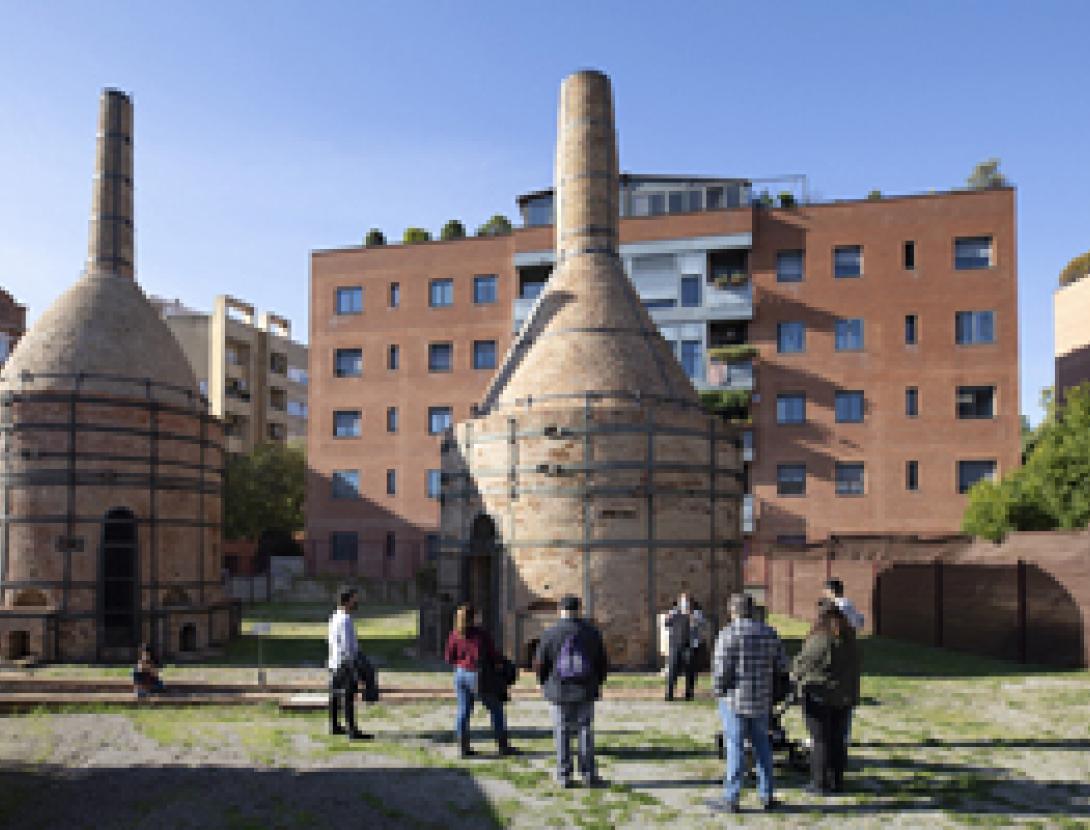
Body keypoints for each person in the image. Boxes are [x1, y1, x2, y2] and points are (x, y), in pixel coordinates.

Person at [707, 593, 788, 814]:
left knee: (735, 747)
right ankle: (767, 795)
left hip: (734, 699)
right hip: (762, 699)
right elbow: (782, 665)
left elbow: (721, 671)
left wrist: (717, 691)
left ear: (732, 610)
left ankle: (732, 797)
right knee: (763, 746)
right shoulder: (769, 633)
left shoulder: (728, 634)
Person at [533, 594, 609, 789]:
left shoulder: (550, 633)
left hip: (558, 689)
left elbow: (541, 663)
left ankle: (564, 775)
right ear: (579, 609)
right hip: (585, 688)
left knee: (562, 731)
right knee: (585, 731)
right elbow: (602, 663)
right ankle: (588, 774)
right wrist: (597, 682)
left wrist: (543, 683)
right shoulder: (592, 632)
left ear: (560, 610)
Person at [792, 599, 861, 795]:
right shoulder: (850, 639)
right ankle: (837, 780)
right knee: (838, 739)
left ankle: (819, 783)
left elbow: (802, 664)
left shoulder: (821, 640)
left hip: (820, 694)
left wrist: (794, 677)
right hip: (844, 696)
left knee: (820, 740)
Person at [444, 602, 516, 758]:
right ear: (473, 617)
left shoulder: (454, 634)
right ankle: (503, 746)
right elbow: (491, 655)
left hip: (460, 673)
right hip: (478, 675)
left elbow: (449, 658)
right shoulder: (480, 635)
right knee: (496, 709)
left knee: (463, 711)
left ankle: (463, 747)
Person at [328, 586, 372, 740]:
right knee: (348, 696)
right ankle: (352, 730)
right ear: (347, 601)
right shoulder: (346, 619)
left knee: (335, 694)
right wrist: (355, 665)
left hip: (334, 661)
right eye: (354, 600)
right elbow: (348, 646)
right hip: (345, 663)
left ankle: (334, 725)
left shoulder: (334, 616)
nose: (356, 603)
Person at [664, 592, 697, 701]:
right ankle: (669, 694)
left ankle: (689, 693)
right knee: (672, 669)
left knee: (690, 670)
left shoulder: (695, 613)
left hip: (688, 645)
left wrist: (691, 617)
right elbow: (666, 624)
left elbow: (699, 626)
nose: (684, 604)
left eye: (686, 601)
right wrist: (668, 618)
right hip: (675, 645)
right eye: (682, 601)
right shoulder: (673, 612)